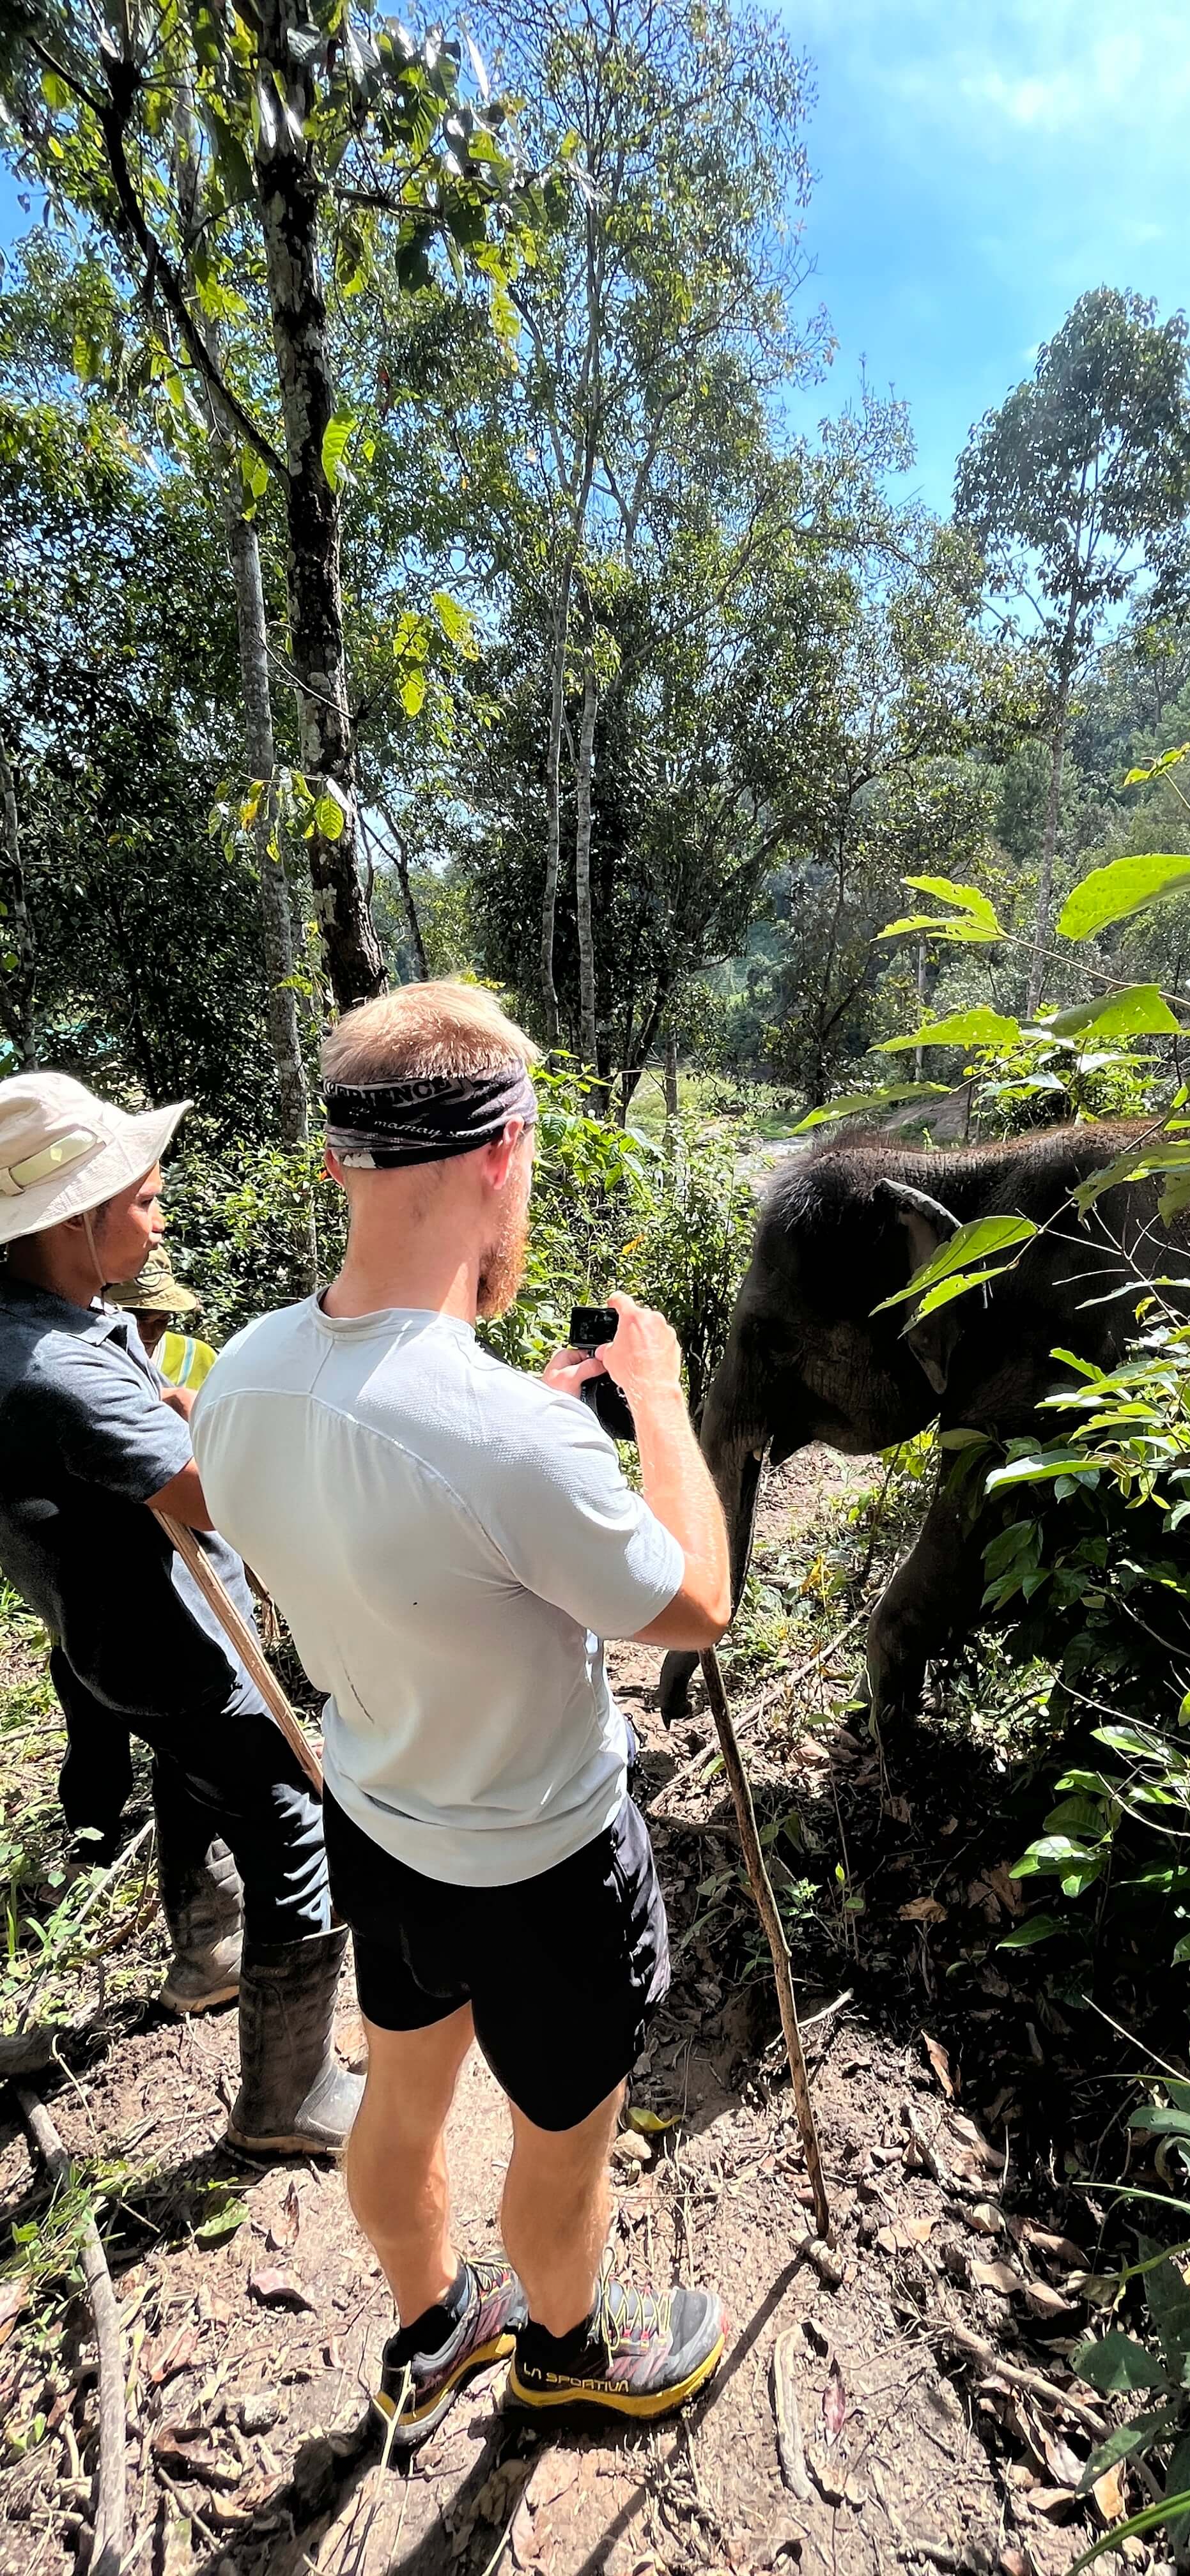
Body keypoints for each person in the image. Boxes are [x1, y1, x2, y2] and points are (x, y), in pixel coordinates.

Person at [192, 980, 732, 2450]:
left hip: (377, 1821)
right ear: (504, 1149)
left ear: (341, 1164)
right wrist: (661, 1404)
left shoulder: (238, 1376)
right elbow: (691, 1605)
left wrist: (533, 1450)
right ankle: (566, 2351)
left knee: (404, 2093)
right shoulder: (512, 1437)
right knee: (563, 2155)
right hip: (549, 1867)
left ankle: (433, 2326)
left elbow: (389, 1507)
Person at [0, 1071, 360, 2157]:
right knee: (293, 1819)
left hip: (96, 1635)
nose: (159, 1219)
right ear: (74, 1219)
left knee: (187, 1767)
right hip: (171, 1640)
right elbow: (223, 1499)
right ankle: (285, 2099)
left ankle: (206, 1956)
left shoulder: (32, 1324)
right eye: (144, 1201)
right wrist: (235, 1430)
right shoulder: (62, 1368)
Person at [109, 1245, 219, 1393]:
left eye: (162, 1319)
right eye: (139, 1320)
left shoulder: (197, 1356)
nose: (151, 1334)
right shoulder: (89, 1357)